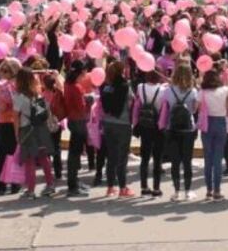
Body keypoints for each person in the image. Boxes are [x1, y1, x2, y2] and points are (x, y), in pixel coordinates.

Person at [12, 67, 57, 199]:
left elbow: (15, 117)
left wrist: (17, 134)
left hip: (27, 130)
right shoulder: (38, 94)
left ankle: (31, 190)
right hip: (41, 129)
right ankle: (50, 185)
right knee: (44, 158)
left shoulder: (19, 97)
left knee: (29, 161)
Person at [162, 62, 200, 201]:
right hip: (188, 128)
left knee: (175, 162)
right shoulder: (193, 91)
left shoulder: (168, 90)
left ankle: (177, 191)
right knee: (187, 161)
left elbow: (164, 107)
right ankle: (188, 191)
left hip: (172, 127)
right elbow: (195, 109)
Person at [99, 60, 134, 198]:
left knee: (111, 156)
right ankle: (123, 188)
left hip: (108, 123)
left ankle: (110, 187)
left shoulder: (106, 87)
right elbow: (131, 102)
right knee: (122, 157)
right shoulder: (126, 86)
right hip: (123, 124)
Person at [199, 63, 228, 200]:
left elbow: (197, 108)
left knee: (208, 158)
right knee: (218, 158)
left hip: (207, 123)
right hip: (221, 122)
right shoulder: (224, 90)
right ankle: (217, 190)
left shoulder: (202, 92)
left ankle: (208, 190)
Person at [135, 68, 167, 197]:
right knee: (157, 158)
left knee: (145, 157)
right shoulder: (163, 90)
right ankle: (156, 188)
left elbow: (137, 104)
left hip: (144, 125)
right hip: (157, 125)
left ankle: (144, 186)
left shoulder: (140, 87)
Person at [62, 60, 91, 197]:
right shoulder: (76, 87)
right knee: (75, 154)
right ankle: (72, 185)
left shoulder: (67, 84)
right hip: (79, 121)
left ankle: (74, 182)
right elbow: (82, 108)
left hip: (72, 120)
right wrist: (89, 101)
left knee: (74, 153)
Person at [0, 59, 21, 195]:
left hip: (5, 122)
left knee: (3, 155)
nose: (1, 73)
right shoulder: (20, 86)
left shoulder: (4, 88)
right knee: (15, 154)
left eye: (4, 70)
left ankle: (1, 185)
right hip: (17, 122)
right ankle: (15, 184)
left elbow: (2, 107)